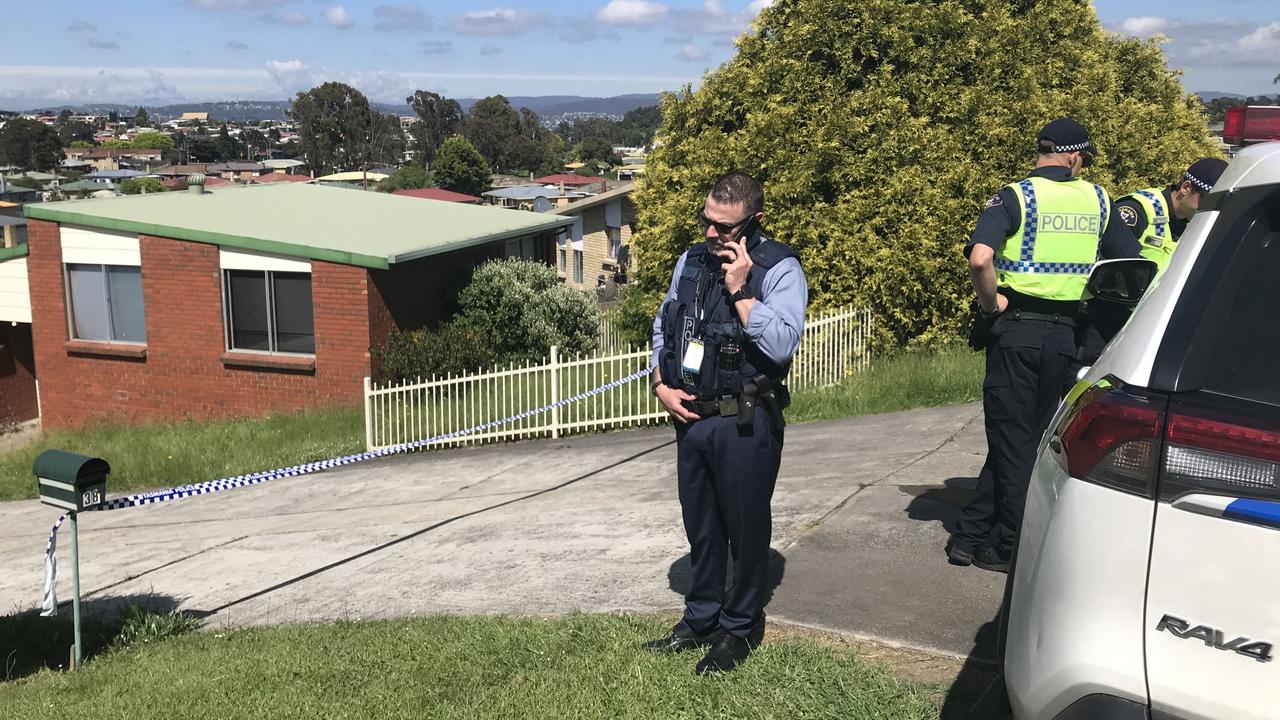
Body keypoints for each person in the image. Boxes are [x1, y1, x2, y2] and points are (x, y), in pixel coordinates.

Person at [947, 118, 1141, 574]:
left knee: (1013, 440)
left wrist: (990, 302)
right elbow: (1131, 261)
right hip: (1067, 335)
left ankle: (1009, 544)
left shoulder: (1016, 196)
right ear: (1075, 155)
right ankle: (973, 535)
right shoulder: (1097, 199)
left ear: (1043, 150)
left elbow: (980, 257)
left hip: (1016, 330)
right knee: (1024, 440)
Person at [642, 171, 808, 674]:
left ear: (754, 222)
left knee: (746, 527)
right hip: (690, 416)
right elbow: (664, 324)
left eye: (725, 228)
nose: (713, 234)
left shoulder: (779, 268)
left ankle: (739, 627)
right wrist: (658, 383)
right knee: (703, 528)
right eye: (708, 222)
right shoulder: (690, 260)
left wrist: (740, 291)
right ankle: (700, 618)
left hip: (745, 419)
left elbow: (780, 344)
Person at [1116, 157, 1229, 275]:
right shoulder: (1139, 210)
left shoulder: (1192, 222)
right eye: (1207, 200)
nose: (1211, 208)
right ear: (1185, 188)